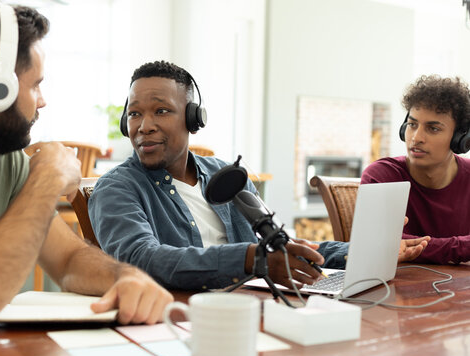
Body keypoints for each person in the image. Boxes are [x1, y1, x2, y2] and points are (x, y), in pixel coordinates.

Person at [0, 0, 172, 334]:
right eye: (35, 84)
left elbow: (68, 259)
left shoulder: (1, 159)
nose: (42, 100)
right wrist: (47, 177)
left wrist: (124, 277)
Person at [89, 60, 426, 290]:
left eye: (161, 110)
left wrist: (358, 251)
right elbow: (141, 259)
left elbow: (277, 244)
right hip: (179, 320)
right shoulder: (116, 189)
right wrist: (251, 260)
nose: (144, 126)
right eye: (134, 114)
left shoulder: (226, 176)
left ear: (193, 119)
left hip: (254, 304)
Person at [362, 74, 470, 264]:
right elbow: (384, 244)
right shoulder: (381, 175)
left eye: (433, 128)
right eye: (412, 125)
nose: (416, 137)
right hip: (395, 289)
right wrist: (462, 248)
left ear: (460, 138)